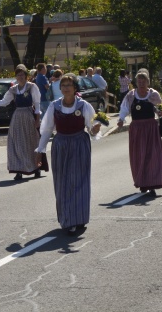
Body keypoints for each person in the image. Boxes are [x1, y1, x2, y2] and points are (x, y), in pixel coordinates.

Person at [36, 73, 100, 235]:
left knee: (79, 182)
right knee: (63, 183)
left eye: (68, 85)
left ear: (75, 88)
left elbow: (91, 129)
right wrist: (40, 150)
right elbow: (47, 130)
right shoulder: (54, 106)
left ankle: (78, 218)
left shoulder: (83, 105)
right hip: (61, 146)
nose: (65, 88)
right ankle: (68, 218)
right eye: (63, 85)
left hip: (79, 144)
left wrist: (94, 130)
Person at [0, 64, 44, 180]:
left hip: (28, 116)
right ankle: (19, 169)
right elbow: (4, 102)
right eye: (18, 75)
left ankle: (36, 167)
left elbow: (37, 104)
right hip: (17, 117)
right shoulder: (13, 89)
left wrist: (37, 119)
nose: (20, 77)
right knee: (17, 143)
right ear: (15, 77)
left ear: (26, 76)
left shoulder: (32, 87)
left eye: (22, 75)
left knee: (31, 142)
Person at [117, 69, 162, 196]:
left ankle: (152, 183)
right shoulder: (131, 95)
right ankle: (142, 182)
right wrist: (120, 119)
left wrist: (161, 112)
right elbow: (124, 108)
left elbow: (160, 109)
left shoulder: (153, 94)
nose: (141, 83)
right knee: (139, 156)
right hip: (137, 129)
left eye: (143, 81)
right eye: (139, 81)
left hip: (151, 128)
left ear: (148, 82)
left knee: (152, 156)